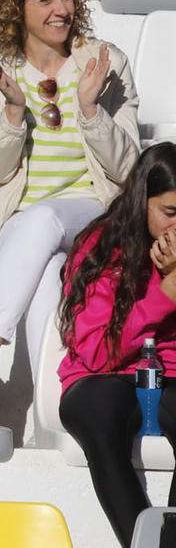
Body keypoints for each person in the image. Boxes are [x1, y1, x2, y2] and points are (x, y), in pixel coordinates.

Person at [0, 0, 140, 379]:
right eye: (46, 0)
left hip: (92, 210)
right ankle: (47, 422)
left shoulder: (105, 63)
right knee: (49, 273)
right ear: (15, 8)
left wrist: (91, 111)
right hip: (13, 225)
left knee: (45, 219)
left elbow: (128, 169)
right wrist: (14, 111)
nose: (62, 9)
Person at [57, 142, 176, 544]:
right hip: (103, 376)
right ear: (142, 202)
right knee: (98, 420)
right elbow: (95, 351)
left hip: (170, 376)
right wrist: (165, 293)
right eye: (170, 213)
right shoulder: (103, 247)